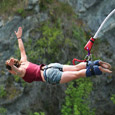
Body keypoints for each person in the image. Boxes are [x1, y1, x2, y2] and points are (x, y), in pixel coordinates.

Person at [5, 27, 112, 85]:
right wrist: (19, 38)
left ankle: (98, 69)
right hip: (51, 66)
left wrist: (12, 67)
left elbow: (18, 72)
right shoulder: (23, 61)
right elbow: (22, 50)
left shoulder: (21, 72)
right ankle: (95, 63)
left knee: (76, 75)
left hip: (49, 75)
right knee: (75, 68)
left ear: (11, 70)